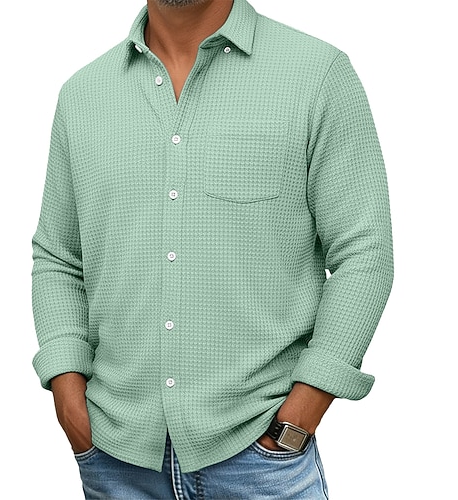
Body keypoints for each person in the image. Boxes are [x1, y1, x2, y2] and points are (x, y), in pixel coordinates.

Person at [31, 0, 394, 498]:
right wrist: (67, 389)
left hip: (261, 453)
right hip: (116, 455)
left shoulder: (316, 75)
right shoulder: (83, 95)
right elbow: (58, 257)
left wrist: (300, 415)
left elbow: (364, 252)